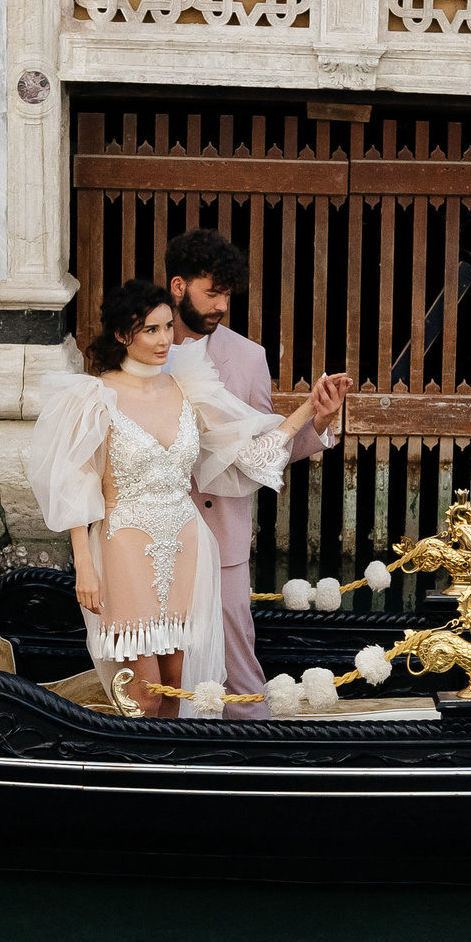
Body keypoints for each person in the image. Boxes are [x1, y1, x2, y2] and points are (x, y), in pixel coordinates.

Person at [25, 279, 335, 717]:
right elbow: (75, 486)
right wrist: (84, 566)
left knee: (176, 687)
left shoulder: (186, 385)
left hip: (188, 545)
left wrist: (310, 410)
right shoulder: (92, 397)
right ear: (121, 335)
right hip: (124, 548)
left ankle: (168, 773)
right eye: (150, 330)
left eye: (168, 327)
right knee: (145, 694)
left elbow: (246, 448)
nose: (164, 339)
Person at [162, 229, 351, 719]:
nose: (222, 304)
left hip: (221, 533)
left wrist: (319, 423)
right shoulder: (143, 347)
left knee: (236, 657)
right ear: (178, 287)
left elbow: (268, 451)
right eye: (212, 292)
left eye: (227, 294)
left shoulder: (249, 357)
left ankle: (254, 744)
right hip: (154, 533)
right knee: (158, 656)